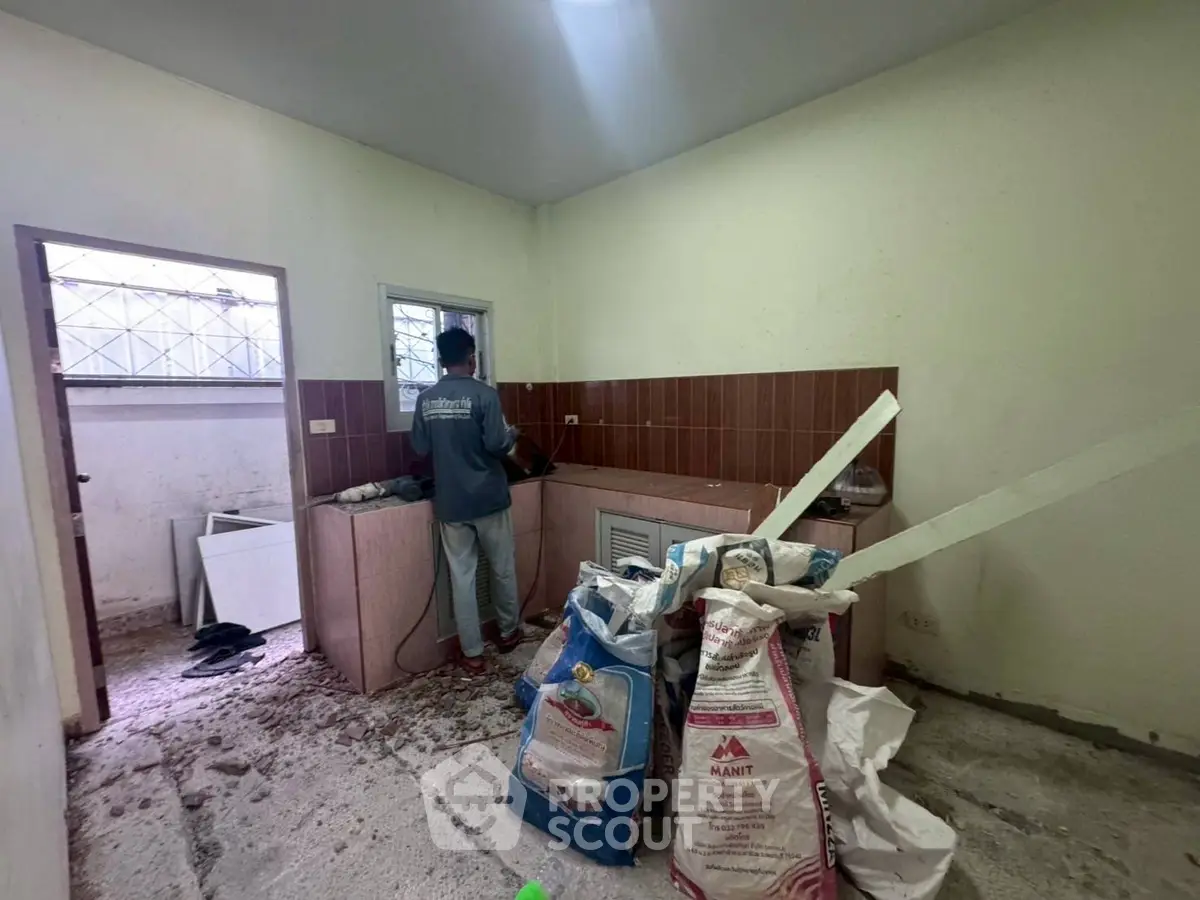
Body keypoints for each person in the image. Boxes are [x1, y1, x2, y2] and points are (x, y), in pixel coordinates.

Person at [410, 327, 522, 674]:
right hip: (489, 497)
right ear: (472, 356)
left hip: (452, 503)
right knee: (502, 569)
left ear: (441, 360)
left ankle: (472, 653)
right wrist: (512, 434)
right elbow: (496, 445)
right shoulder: (485, 395)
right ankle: (507, 634)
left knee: (462, 578)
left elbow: (420, 448)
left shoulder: (426, 399)